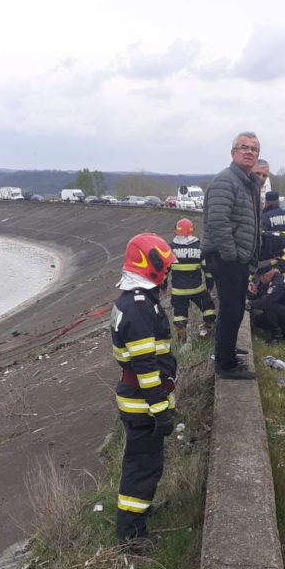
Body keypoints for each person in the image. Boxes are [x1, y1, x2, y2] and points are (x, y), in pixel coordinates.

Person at [111, 233, 178, 545]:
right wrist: (161, 409)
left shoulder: (138, 300)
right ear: (150, 266)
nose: (167, 274)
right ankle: (131, 533)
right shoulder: (139, 306)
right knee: (141, 467)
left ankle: (139, 512)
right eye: (164, 268)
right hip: (143, 403)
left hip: (140, 401)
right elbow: (145, 367)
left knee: (145, 463)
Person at [202, 131, 263, 380]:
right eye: (244, 147)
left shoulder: (249, 183)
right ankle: (226, 364)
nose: (249, 152)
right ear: (233, 152)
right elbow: (218, 221)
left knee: (235, 308)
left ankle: (226, 349)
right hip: (226, 258)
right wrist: (232, 255)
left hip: (238, 258)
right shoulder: (225, 181)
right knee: (231, 308)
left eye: (254, 149)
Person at [168, 218, 216, 341]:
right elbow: (207, 269)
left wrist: (163, 286)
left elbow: (165, 270)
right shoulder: (199, 247)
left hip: (178, 291)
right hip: (197, 289)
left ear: (175, 232)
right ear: (192, 232)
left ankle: (181, 339)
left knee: (180, 315)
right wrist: (209, 284)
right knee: (208, 307)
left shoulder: (170, 248)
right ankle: (210, 330)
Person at [248, 259, 285, 342]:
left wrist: (249, 303)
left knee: (270, 306)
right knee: (258, 321)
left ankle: (277, 336)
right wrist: (254, 293)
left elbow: (266, 301)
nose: (258, 280)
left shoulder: (278, 284)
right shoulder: (272, 279)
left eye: (259, 277)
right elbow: (265, 295)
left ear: (265, 276)